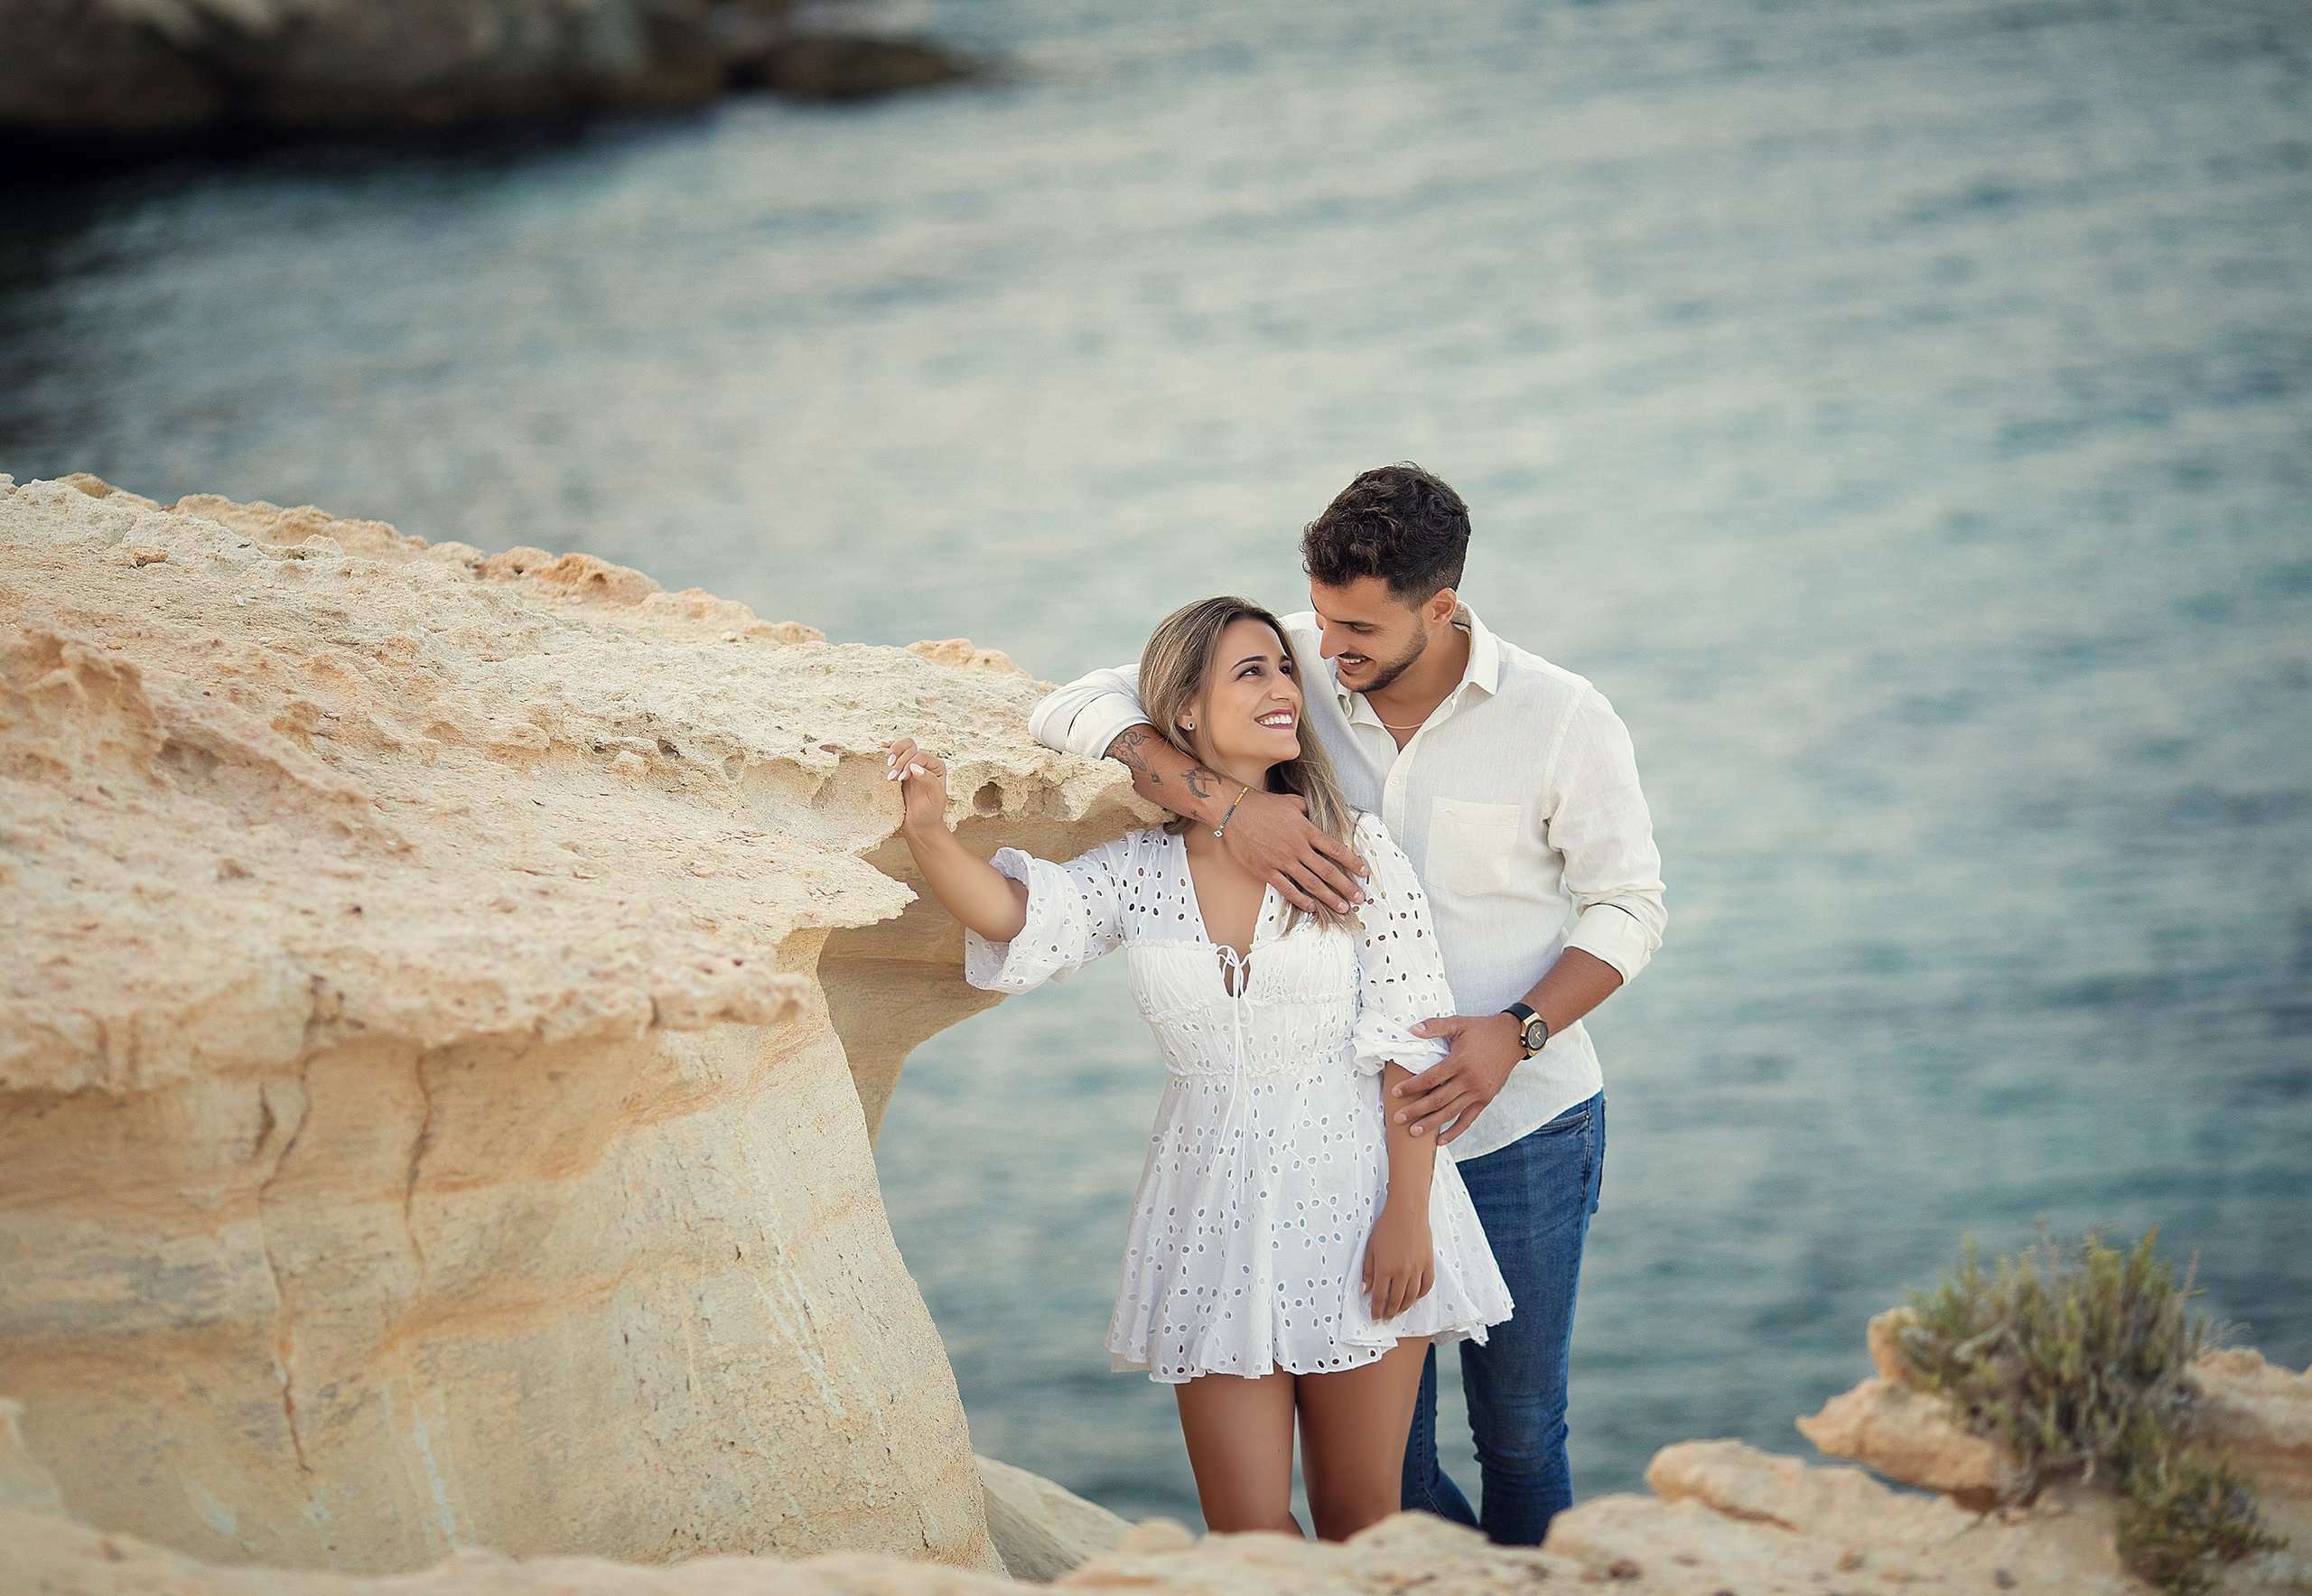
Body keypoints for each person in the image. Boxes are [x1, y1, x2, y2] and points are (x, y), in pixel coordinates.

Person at [1029, 465, 1665, 1544]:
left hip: (1520, 1124)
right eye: (1319, 618)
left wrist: (1517, 1035)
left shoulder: (1561, 717)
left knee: (1518, 1434)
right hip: (1348, 1144)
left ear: (1443, 607)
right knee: (1387, 1474)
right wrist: (1225, 807)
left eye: (1358, 628)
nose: (1328, 654)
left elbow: (1628, 909)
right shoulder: (1290, 657)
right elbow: (1073, 707)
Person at [885, 595, 1512, 1541]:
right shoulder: (1139, 868)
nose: (1281, 689)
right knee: (1245, 1535)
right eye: (1249, 671)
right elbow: (1018, 917)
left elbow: (1410, 1045)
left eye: (1281, 669)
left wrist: (1408, 1216)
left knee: (1359, 1521)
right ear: (1183, 710)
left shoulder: (1354, 846)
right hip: (1209, 1212)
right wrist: (930, 831)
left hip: (1359, 1195)